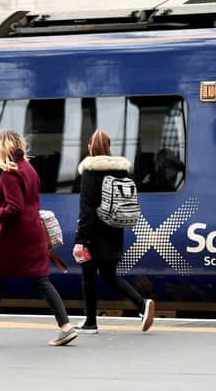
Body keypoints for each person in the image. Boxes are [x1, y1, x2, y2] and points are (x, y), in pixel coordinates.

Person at [0, 129, 78, 347]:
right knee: (41, 279)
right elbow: (24, 200)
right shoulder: (27, 168)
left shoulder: (10, 172)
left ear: (2, 146)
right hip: (32, 232)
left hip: (13, 236)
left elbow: (14, 208)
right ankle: (66, 327)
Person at [73, 129, 155, 334]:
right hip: (114, 231)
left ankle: (90, 322)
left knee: (88, 276)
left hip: (93, 234)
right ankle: (142, 304)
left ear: (91, 147)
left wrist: (81, 239)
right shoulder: (122, 171)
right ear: (108, 148)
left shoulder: (90, 172)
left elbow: (87, 209)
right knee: (110, 276)